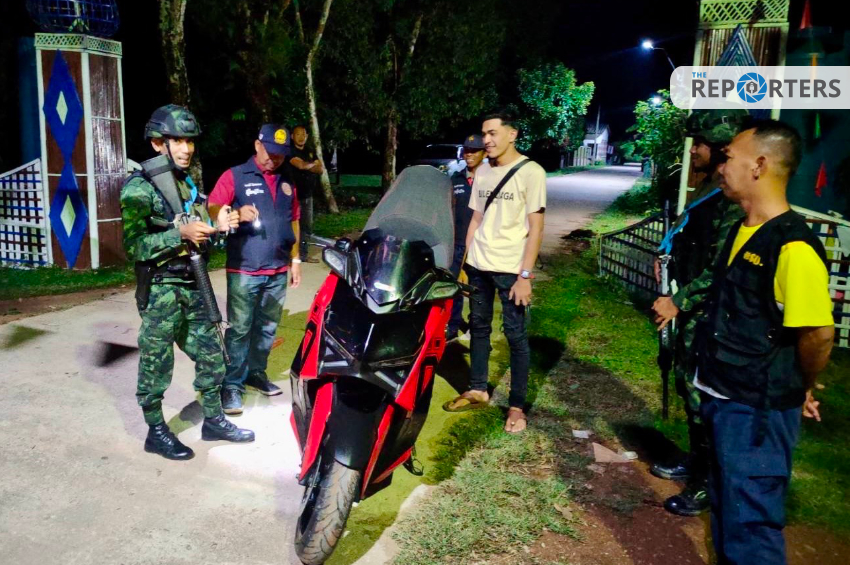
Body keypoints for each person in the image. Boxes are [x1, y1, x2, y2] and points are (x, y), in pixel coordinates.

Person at [696, 120, 834, 564]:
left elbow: (818, 334)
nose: (721, 167)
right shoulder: (742, 230)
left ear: (758, 165)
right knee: (726, 512)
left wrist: (801, 384)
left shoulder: (794, 247)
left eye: (729, 157)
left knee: (750, 527)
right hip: (723, 395)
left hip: (756, 411)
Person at [121, 104, 255, 461]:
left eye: (190, 141)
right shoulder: (139, 189)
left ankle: (213, 420)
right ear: (157, 143)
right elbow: (133, 247)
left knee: (213, 355)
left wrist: (220, 226)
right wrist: (178, 235)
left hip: (193, 284)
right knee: (156, 362)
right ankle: (155, 431)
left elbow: (198, 231)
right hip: (162, 290)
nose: (186, 148)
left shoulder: (184, 184)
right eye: (177, 141)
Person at [649, 110, 748, 516]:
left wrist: (679, 301)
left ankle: (709, 482)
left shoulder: (733, 198)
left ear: (721, 147)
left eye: (701, 144)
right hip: (692, 308)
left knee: (703, 395)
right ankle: (697, 462)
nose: (694, 151)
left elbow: (721, 266)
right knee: (687, 387)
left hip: (711, 314)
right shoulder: (709, 185)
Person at [443, 111, 547, 435]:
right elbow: (475, 219)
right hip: (479, 266)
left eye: (492, 133)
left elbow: (536, 227)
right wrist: (465, 264)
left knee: (516, 337)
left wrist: (525, 276)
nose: (486, 140)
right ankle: (478, 389)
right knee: (478, 327)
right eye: (484, 134)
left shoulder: (532, 172)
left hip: (511, 270)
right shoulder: (484, 171)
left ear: (512, 134)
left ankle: (516, 407)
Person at [208, 124, 302, 415]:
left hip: (278, 269)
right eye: (270, 152)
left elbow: (294, 220)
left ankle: (255, 373)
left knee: (267, 327)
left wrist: (296, 260)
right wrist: (234, 213)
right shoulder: (235, 175)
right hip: (245, 270)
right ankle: (232, 384)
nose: (274, 159)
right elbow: (213, 206)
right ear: (257, 145)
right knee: (239, 330)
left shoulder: (287, 181)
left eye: (280, 155)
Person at [446, 134, 486, 341]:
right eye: (467, 150)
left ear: (484, 153)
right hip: (457, 244)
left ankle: (477, 329)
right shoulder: (455, 179)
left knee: (478, 289)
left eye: (474, 151)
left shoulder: (491, 179)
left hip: (481, 245)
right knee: (455, 287)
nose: (469, 154)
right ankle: (452, 327)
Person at [287, 124, 324, 263]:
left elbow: (320, 169)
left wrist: (309, 165)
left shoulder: (310, 151)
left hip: (308, 195)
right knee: (291, 225)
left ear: (307, 136)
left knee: (306, 227)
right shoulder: (289, 151)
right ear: (292, 136)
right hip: (293, 196)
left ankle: (303, 254)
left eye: (303, 134)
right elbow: (300, 165)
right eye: (298, 134)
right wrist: (312, 164)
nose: (301, 137)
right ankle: (289, 254)